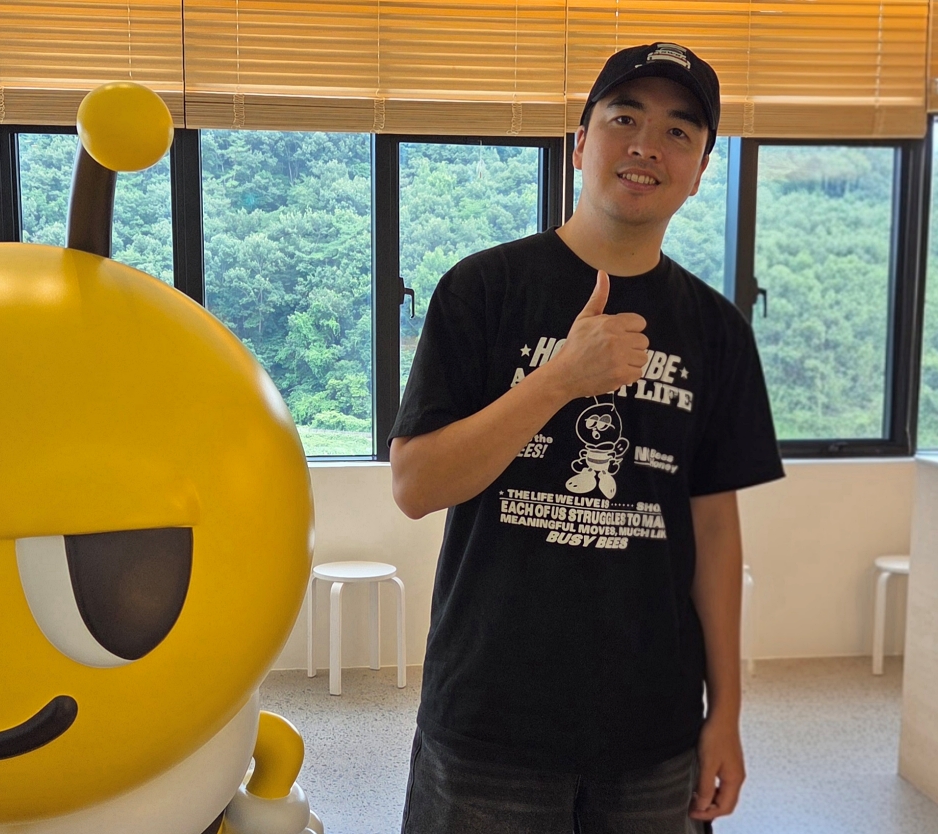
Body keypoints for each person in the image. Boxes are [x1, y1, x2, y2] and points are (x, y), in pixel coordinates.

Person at [390, 42, 784, 834]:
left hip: (654, 730)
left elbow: (714, 532)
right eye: (624, 119)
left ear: (700, 170)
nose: (647, 145)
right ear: (580, 144)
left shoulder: (717, 331)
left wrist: (726, 713)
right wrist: (560, 380)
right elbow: (416, 486)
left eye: (679, 132)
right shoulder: (483, 288)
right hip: (488, 720)